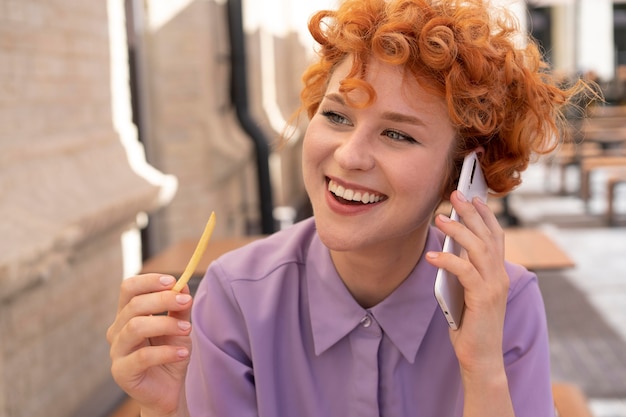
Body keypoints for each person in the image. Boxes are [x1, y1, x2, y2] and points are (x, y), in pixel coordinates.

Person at [107, 0, 591, 416]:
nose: (350, 156)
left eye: (398, 133)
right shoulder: (235, 297)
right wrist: (166, 409)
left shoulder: (505, 303)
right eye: (336, 116)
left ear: (462, 173)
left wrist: (483, 369)